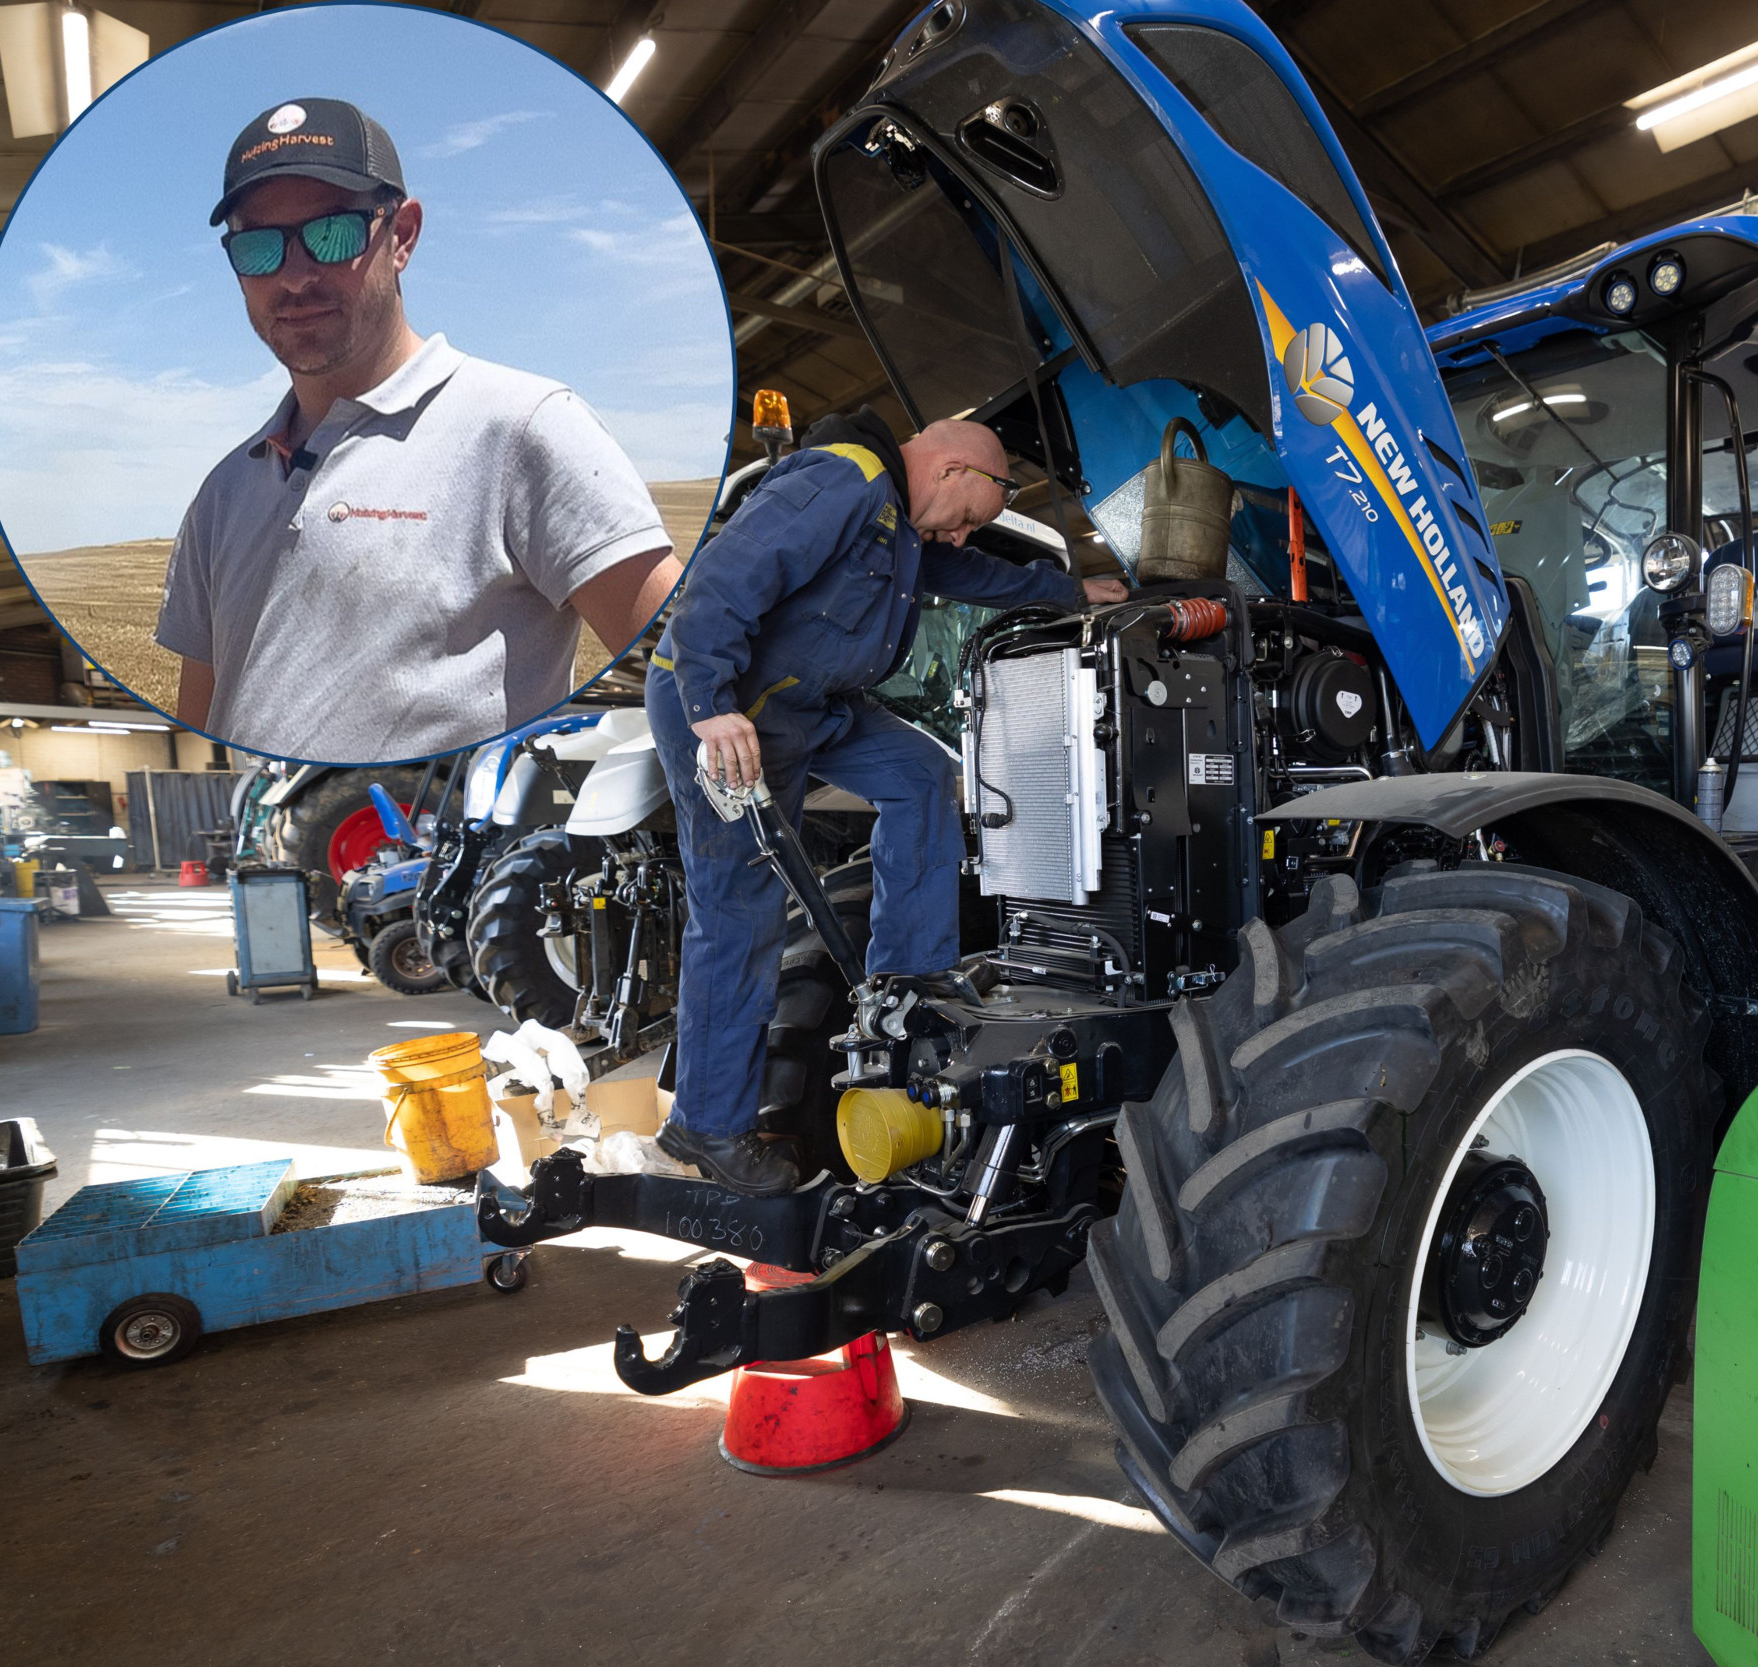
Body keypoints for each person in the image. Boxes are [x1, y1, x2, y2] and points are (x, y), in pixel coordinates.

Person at [648, 407, 1127, 1195]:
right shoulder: (845, 479)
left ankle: (912, 975)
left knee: (921, 775)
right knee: (741, 911)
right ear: (950, 472)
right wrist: (709, 700)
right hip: (734, 712)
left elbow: (973, 576)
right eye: (971, 515)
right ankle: (707, 1125)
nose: (964, 534)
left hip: (809, 708)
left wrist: (1071, 592)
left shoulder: (903, 524)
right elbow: (727, 576)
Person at [153, 98, 680, 762]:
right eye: (257, 247)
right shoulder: (222, 495)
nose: (293, 275)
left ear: (401, 235)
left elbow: (695, 665)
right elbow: (203, 723)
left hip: (460, 863)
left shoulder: (522, 430)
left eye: (332, 233)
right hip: (277, 857)